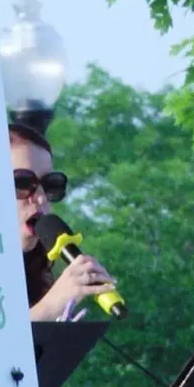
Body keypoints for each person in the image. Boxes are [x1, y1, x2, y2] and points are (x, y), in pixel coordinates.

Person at [9, 122, 117, 322]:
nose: (40, 198)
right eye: (23, 183)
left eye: (51, 184)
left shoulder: (32, 277)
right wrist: (48, 308)